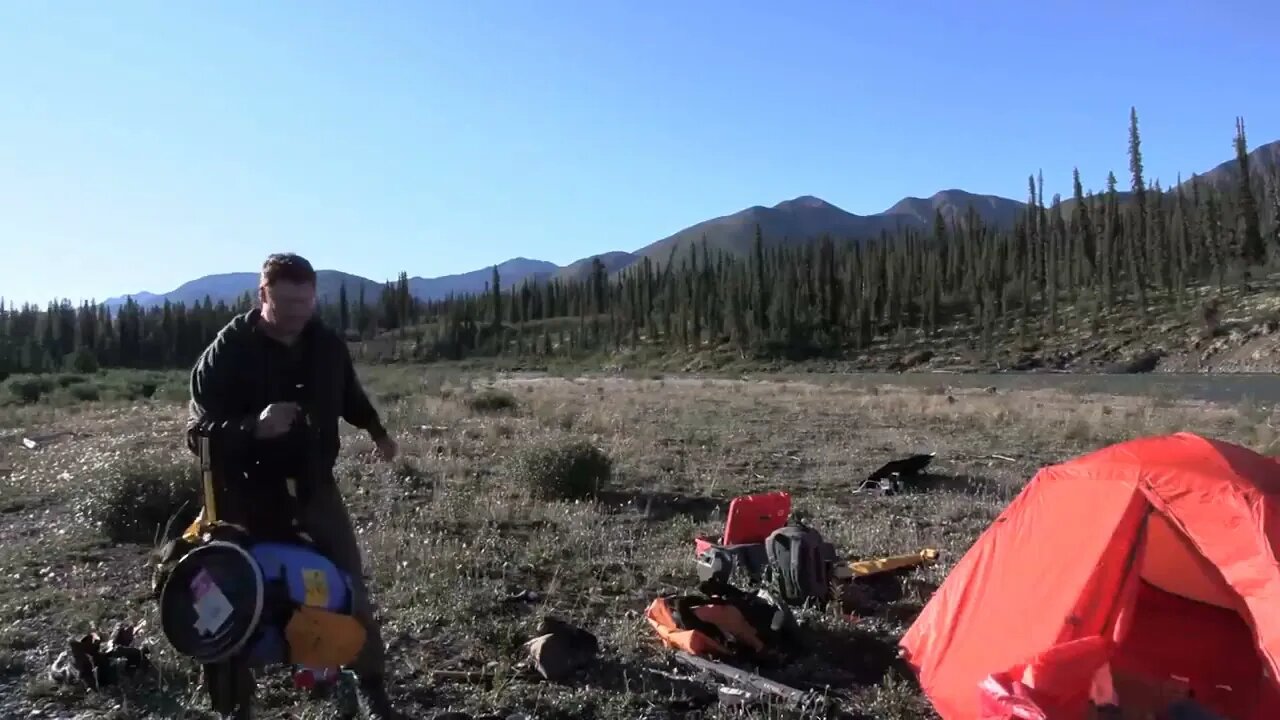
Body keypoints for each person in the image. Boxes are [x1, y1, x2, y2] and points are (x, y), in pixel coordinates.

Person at [185, 252, 402, 719]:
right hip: (242, 492)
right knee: (230, 597)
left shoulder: (325, 344)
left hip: (312, 485)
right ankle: (234, 706)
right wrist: (251, 429)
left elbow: (350, 396)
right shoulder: (228, 351)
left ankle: (372, 689)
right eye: (286, 303)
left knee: (350, 585)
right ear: (262, 295)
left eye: (305, 302)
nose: (297, 313)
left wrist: (377, 431)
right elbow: (197, 433)